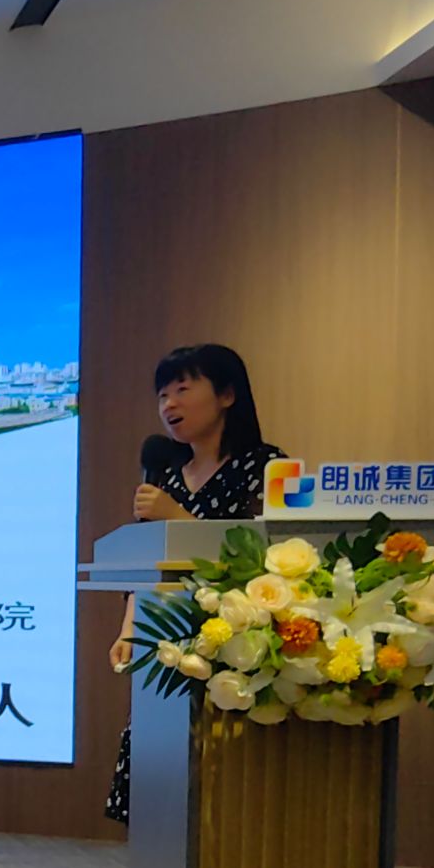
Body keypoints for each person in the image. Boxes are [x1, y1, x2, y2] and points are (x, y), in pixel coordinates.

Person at [105, 344, 282, 825]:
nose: (169, 404)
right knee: (159, 802)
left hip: (237, 647)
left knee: (222, 799)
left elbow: (262, 560)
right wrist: (130, 629)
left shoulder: (265, 468)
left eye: (182, 389)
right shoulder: (164, 479)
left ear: (226, 395)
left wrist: (177, 516)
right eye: (162, 395)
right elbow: (146, 564)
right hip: (166, 647)